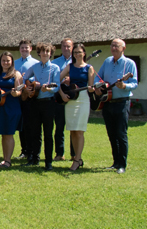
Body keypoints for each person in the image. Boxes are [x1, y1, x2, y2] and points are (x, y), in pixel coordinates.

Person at [94, 39, 138, 174]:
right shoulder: (107, 61)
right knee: (111, 134)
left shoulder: (129, 64)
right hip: (107, 102)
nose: (113, 48)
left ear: (123, 48)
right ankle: (115, 162)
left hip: (121, 103)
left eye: (116, 46)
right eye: (112, 45)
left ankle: (122, 164)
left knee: (121, 134)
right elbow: (98, 77)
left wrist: (125, 86)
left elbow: (134, 83)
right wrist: (98, 87)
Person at [57, 43, 96, 171]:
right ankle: (76, 158)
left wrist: (93, 88)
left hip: (83, 99)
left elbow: (91, 89)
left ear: (84, 53)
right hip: (71, 99)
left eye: (79, 52)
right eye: (75, 53)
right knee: (73, 130)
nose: (77, 54)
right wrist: (62, 93)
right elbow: (56, 80)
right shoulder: (69, 67)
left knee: (79, 131)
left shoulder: (89, 68)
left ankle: (78, 159)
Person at [24, 42, 60, 171]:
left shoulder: (55, 68)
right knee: (35, 132)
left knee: (48, 134)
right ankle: (34, 159)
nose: (45, 54)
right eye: (43, 51)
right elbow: (25, 79)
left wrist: (48, 89)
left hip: (48, 103)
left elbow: (57, 87)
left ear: (50, 53)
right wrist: (28, 87)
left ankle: (48, 162)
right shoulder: (34, 67)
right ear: (39, 53)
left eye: (47, 51)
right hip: (35, 102)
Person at [0, 52, 23, 168]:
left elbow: (19, 91)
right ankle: (5, 159)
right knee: (4, 134)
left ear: (12, 62)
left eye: (8, 60)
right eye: (3, 60)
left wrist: (16, 93)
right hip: (0, 106)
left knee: (8, 134)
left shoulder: (16, 74)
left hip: (12, 107)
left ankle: (8, 161)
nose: (6, 62)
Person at [14, 40, 39, 161]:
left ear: (31, 49)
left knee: (30, 125)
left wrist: (28, 78)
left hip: (30, 97)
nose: (24, 50)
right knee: (21, 125)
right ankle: (24, 150)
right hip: (18, 96)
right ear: (19, 49)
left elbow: (38, 77)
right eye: (22, 48)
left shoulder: (36, 63)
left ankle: (32, 150)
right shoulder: (15, 63)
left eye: (26, 48)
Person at [51, 38, 75, 162]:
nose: (66, 49)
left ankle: (74, 154)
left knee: (73, 127)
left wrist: (71, 80)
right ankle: (59, 153)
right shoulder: (55, 62)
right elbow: (53, 81)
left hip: (73, 98)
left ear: (73, 47)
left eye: (69, 46)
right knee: (59, 126)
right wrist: (61, 81)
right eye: (64, 46)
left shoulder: (77, 62)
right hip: (59, 97)